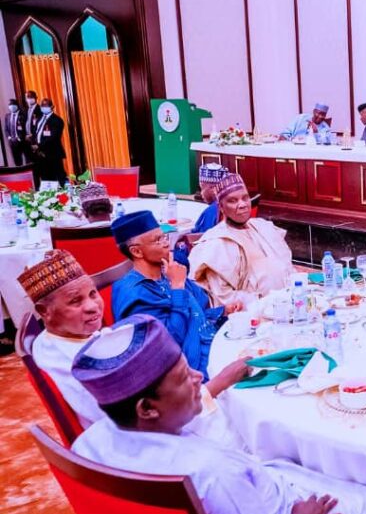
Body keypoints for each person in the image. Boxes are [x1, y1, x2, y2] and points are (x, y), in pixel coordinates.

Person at [70, 315, 366, 514]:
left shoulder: (88, 444)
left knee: (286, 460)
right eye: (184, 377)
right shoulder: (211, 473)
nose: (198, 377)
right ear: (146, 408)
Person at [18, 250, 248, 434]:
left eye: (93, 294)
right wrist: (218, 384)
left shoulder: (62, 338)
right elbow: (141, 424)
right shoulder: (76, 363)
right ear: (44, 311)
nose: (92, 307)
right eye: (75, 302)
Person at [111, 210, 245, 379]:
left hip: (212, 344)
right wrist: (177, 287)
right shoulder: (134, 292)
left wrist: (222, 312)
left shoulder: (167, 273)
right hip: (189, 370)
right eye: (157, 240)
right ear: (137, 251)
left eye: (164, 237)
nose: (166, 243)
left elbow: (196, 315)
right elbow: (168, 343)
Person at [189, 174, 293, 306]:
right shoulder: (216, 243)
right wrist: (264, 303)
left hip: (289, 301)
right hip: (256, 312)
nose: (242, 204)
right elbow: (223, 298)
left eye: (245, 198)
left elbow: (287, 267)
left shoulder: (263, 227)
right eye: (232, 201)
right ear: (221, 207)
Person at [29, 97, 68, 186]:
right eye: (42, 105)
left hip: (52, 153)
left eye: (46, 106)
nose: (43, 107)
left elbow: (53, 137)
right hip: (40, 154)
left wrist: (39, 145)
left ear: (52, 107)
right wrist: (33, 142)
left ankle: (65, 192)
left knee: (59, 176)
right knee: (45, 177)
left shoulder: (57, 120)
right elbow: (36, 132)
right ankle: (48, 193)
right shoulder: (39, 118)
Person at [193, 162, 229, 234]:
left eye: (202, 188)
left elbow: (202, 236)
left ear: (213, 189)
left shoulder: (211, 211)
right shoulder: (231, 204)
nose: (201, 193)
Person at [4, 98, 27, 167]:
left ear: (17, 105)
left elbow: (25, 128)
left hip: (22, 141)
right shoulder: (7, 116)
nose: (11, 106)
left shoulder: (23, 115)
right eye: (10, 105)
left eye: (13, 104)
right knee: (17, 161)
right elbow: (6, 129)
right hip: (12, 142)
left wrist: (20, 138)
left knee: (28, 160)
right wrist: (9, 138)